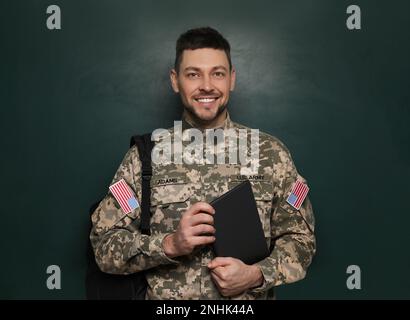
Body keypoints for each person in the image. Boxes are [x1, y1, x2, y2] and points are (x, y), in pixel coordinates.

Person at [90, 27, 316, 299]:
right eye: (193, 74)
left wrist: (256, 274)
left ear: (231, 79)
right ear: (175, 80)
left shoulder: (271, 154)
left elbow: (301, 241)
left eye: (217, 73)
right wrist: (169, 245)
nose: (207, 85)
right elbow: (104, 245)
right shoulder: (144, 158)